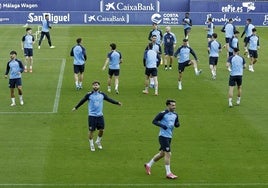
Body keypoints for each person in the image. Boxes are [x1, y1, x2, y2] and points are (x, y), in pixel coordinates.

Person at [72, 81, 122, 151]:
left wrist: (117, 103)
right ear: (92, 86)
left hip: (100, 116)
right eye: (94, 85)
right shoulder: (89, 95)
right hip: (92, 116)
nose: (95, 86)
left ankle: (98, 141)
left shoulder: (102, 94)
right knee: (91, 131)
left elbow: (109, 99)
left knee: (102, 130)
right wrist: (76, 107)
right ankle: (91, 144)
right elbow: (82, 101)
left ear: (99, 86)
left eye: (97, 85)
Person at [144, 99, 180, 179]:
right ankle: (168, 173)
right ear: (168, 105)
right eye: (172, 105)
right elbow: (154, 121)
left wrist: (177, 124)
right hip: (163, 136)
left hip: (169, 136)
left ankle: (148, 165)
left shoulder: (175, 115)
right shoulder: (163, 113)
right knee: (168, 153)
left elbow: (177, 124)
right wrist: (162, 126)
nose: (174, 107)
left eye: (175, 105)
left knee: (162, 154)